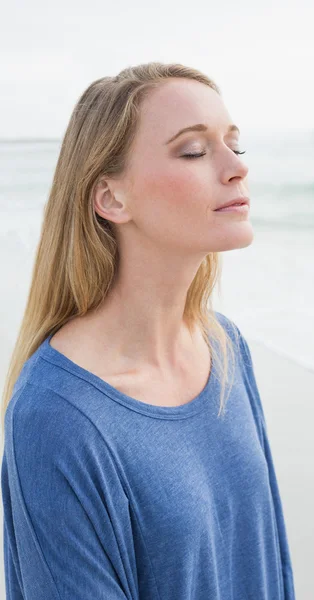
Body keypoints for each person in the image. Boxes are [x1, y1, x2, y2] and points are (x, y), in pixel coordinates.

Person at [1, 62, 296, 599]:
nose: (236, 169)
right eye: (193, 151)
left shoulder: (224, 348)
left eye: (235, 145)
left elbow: (270, 567)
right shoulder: (58, 418)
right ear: (112, 199)